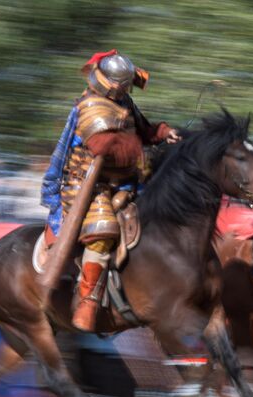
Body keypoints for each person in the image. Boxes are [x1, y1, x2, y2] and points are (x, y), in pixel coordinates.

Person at [40, 49, 180, 331]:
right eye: (123, 84)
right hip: (88, 185)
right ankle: (88, 301)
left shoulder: (123, 101)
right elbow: (105, 147)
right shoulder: (90, 105)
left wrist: (163, 133)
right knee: (102, 232)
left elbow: (141, 131)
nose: (126, 89)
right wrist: (142, 152)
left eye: (128, 85)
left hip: (126, 182)